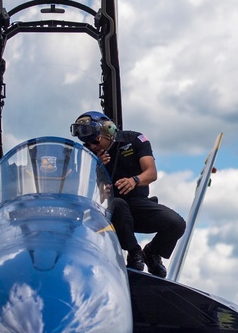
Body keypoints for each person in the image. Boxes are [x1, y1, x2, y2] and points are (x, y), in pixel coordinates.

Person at [71, 111, 186, 278]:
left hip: (137, 204)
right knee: (118, 204)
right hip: (108, 211)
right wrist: (95, 168)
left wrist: (134, 180)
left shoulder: (134, 140)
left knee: (176, 223)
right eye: (87, 145)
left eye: (95, 142)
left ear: (108, 131)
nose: (92, 147)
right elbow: (79, 190)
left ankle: (152, 252)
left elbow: (151, 173)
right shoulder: (85, 156)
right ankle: (134, 252)